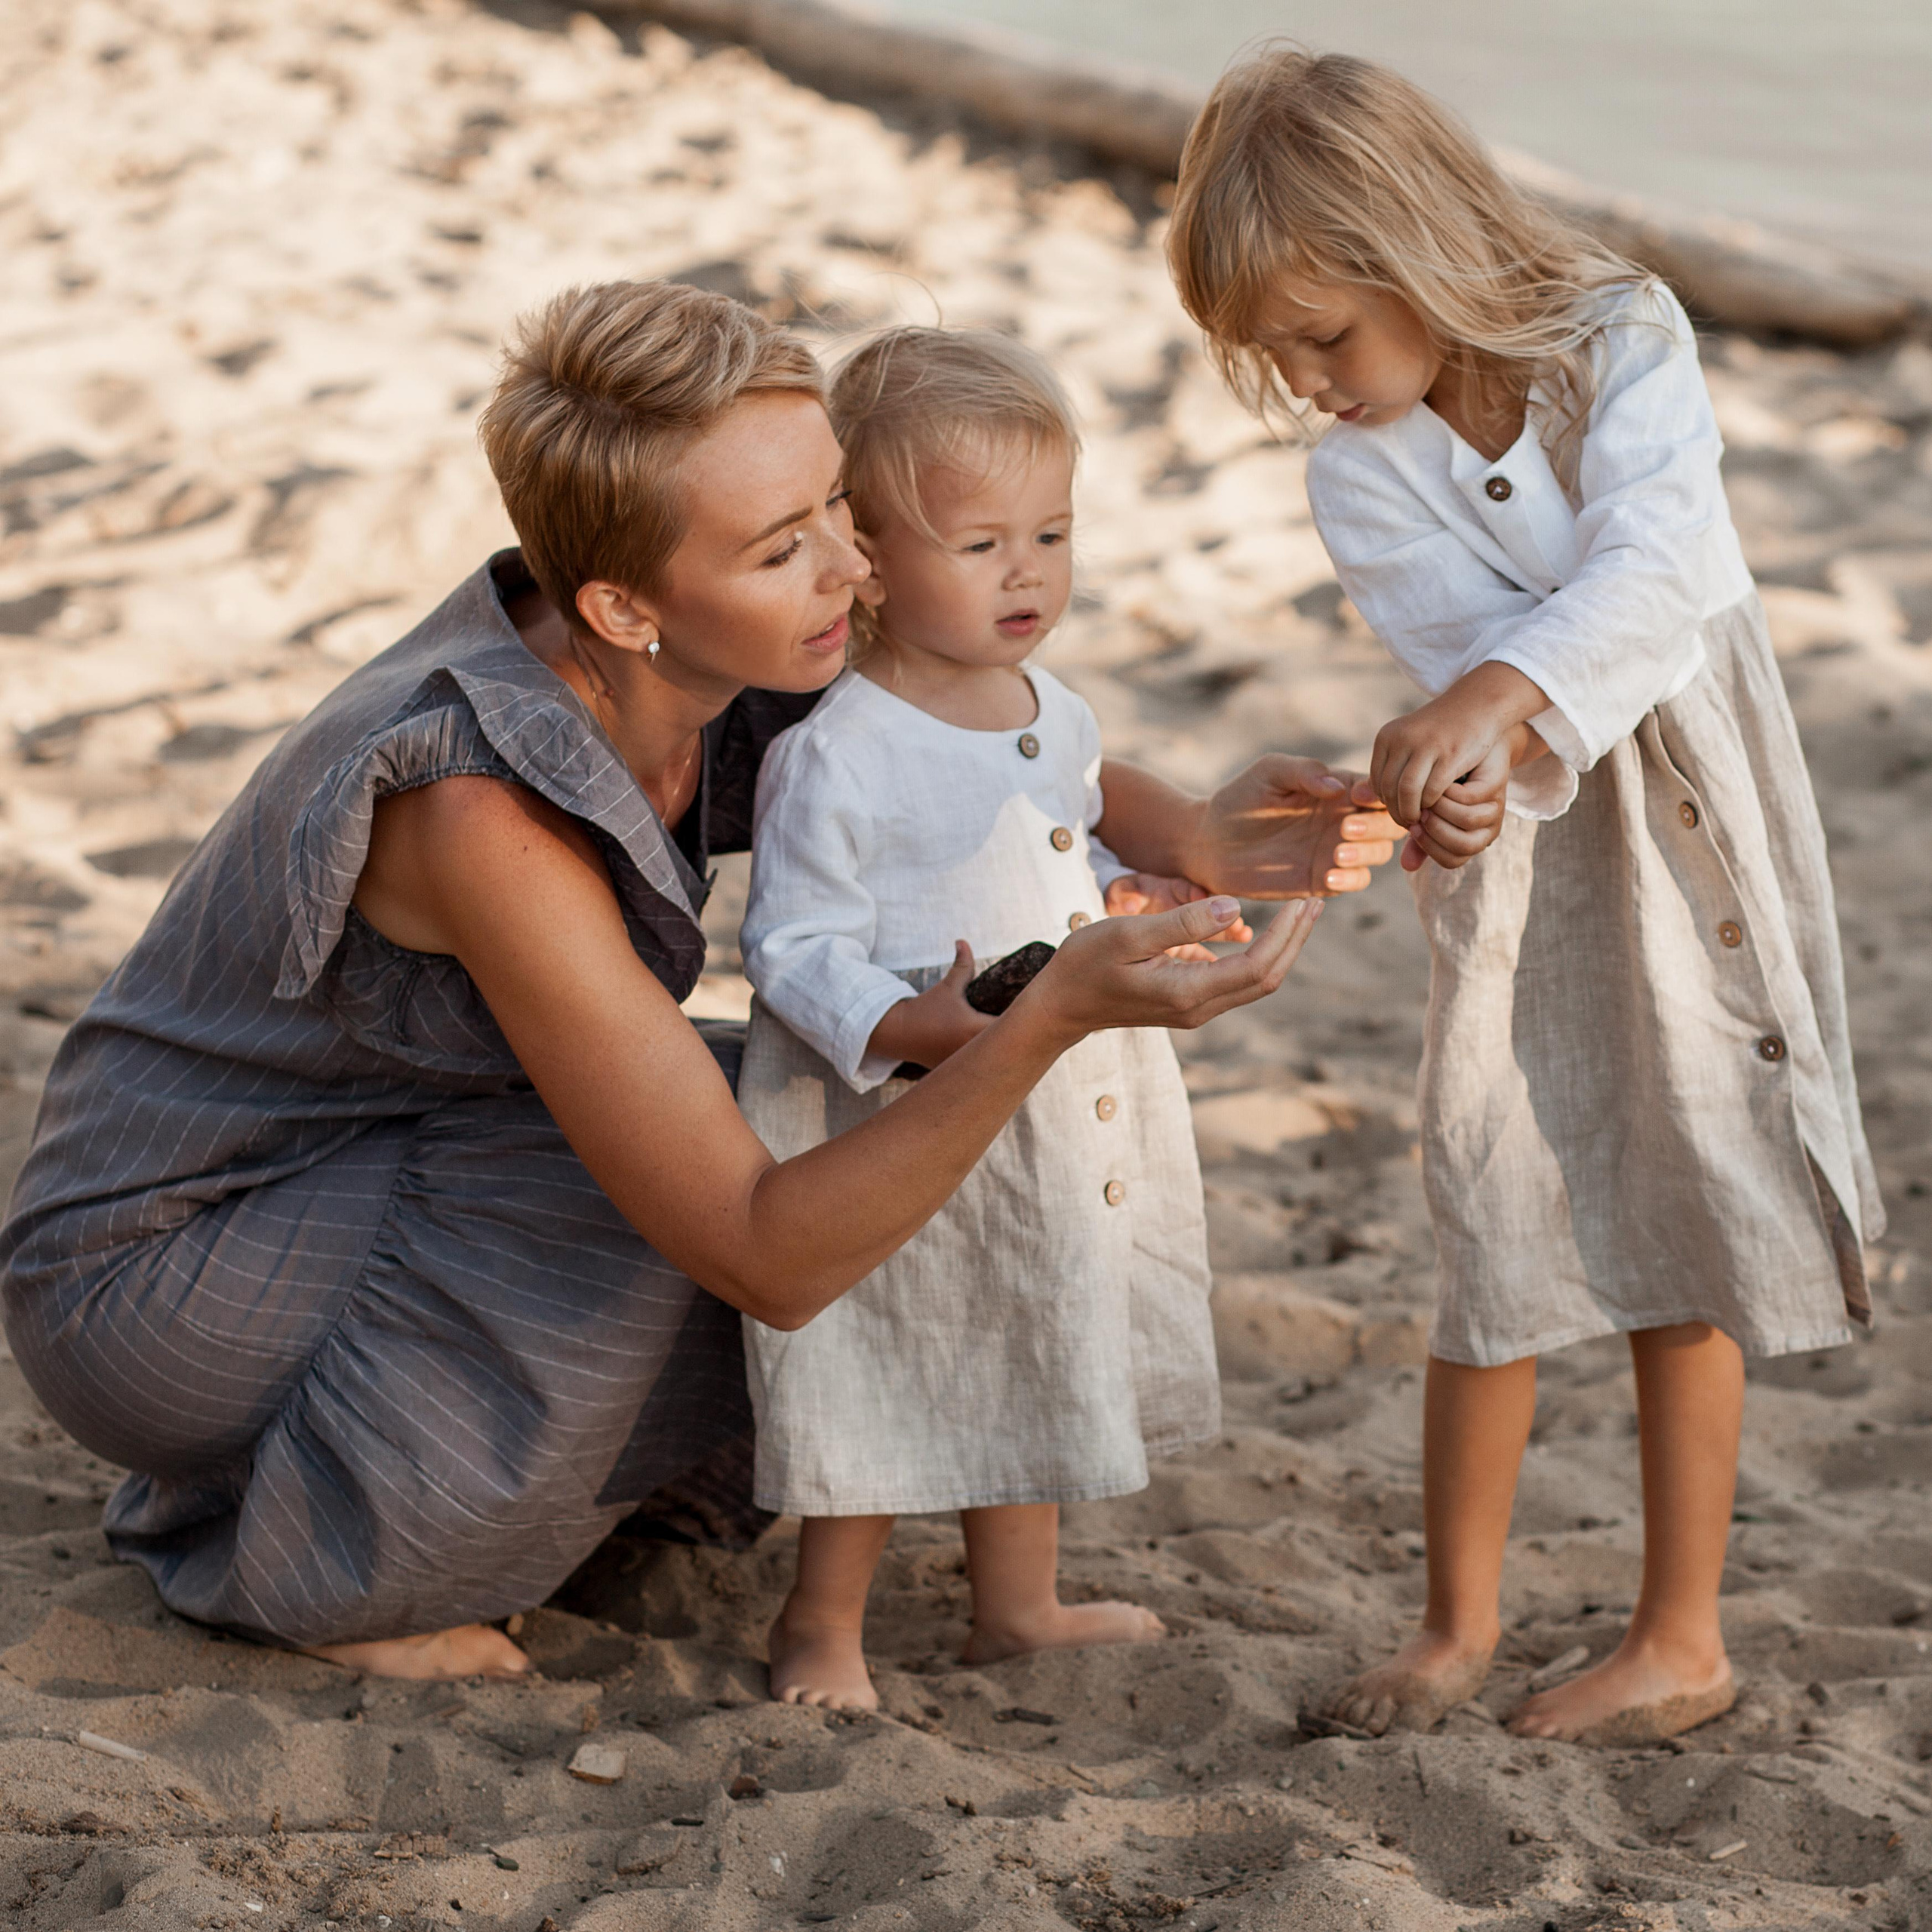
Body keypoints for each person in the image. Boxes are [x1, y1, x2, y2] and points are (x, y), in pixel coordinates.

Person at [0, 279, 1401, 1683]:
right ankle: (315, 1576)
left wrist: (1200, 838)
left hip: (373, 1159)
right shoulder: (482, 808)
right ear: (621, 603)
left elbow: (952, 740)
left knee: (826, 1109)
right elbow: (766, 1254)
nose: (856, 570)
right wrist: (1045, 1020)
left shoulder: (709, 631)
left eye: (844, 510)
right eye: (786, 547)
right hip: (163, 1265)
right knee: (776, 1166)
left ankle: (381, 1465)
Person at [1167, 48, 1884, 1746]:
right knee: (1488, 1177)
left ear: (1416, 252)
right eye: (1272, 351)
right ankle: (1452, 1619)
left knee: (1684, 1165)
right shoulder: (1357, 466)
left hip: (1689, 811)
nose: (1304, 380)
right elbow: (1441, 665)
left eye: (1324, 336)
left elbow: (1658, 568)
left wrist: (1490, 706)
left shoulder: (1617, 334)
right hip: (1536, 851)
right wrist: (1468, 777)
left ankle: (1677, 1634)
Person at [737, 327, 1237, 1711]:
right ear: (873, 563)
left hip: (1049, 1099)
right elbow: (790, 943)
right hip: (904, 1112)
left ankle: (1017, 1606)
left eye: (1053, 534)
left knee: (1035, 1317)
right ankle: (822, 1626)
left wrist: (1126, 890)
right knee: (896, 1348)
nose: (1029, 573)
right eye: (980, 545)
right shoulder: (837, 749)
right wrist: (903, 1021)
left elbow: (1056, 846)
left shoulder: (1051, 712)